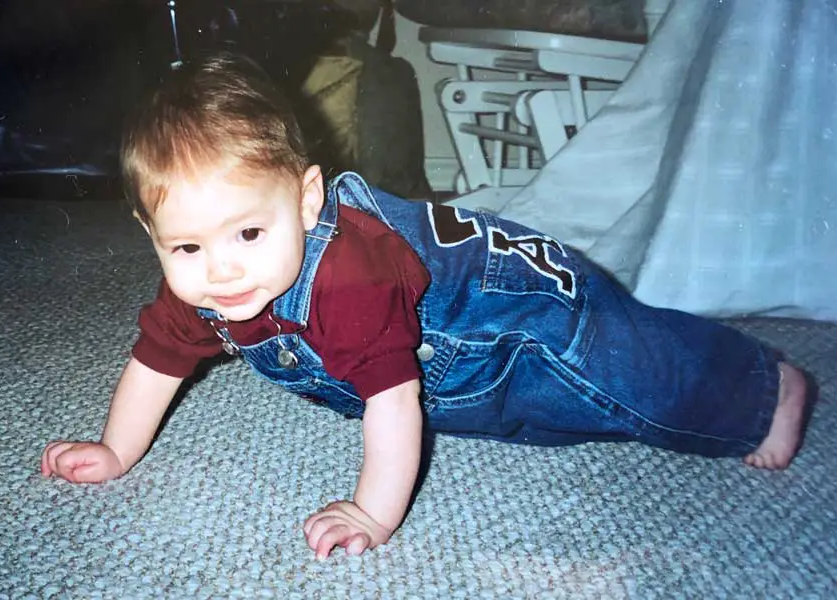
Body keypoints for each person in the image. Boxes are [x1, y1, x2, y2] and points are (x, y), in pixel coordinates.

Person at [40, 51, 809, 560]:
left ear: (307, 200)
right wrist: (115, 452)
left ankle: (765, 389)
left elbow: (393, 404)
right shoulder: (203, 286)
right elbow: (155, 361)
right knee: (538, 425)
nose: (223, 270)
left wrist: (374, 514)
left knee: (628, 382)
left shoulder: (349, 279)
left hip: (512, 320)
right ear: (152, 235)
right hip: (457, 375)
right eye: (187, 248)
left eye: (247, 231)